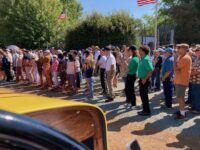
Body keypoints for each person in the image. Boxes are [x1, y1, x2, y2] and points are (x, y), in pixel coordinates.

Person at [174, 43, 192, 119]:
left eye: (179, 48)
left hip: (181, 80)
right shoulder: (182, 56)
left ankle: (183, 114)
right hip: (179, 79)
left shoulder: (185, 58)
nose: (177, 49)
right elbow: (176, 70)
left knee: (181, 98)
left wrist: (175, 60)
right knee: (180, 97)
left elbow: (176, 68)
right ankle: (181, 111)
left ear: (184, 49)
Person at [137, 45, 154, 116]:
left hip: (144, 80)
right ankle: (145, 109)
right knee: (142, 95)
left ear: (143, 51)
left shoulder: (146, 59)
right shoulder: (143, 58)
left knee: (144, 96)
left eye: (139, 50)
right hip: (142, 79)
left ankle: (147, 111)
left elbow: (151, 70)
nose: (138, 51)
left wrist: (145, 78)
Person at [188, 46, 200, 114]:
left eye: (197, 50)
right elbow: (192, 68)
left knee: (197, 95)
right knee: (194, 94)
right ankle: (194, 107)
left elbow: (197, 71)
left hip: (198, 81)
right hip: (193, 81)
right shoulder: (196, 59)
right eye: (195, 51)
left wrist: (188, 74)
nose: (195, 52)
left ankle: (198, 109)